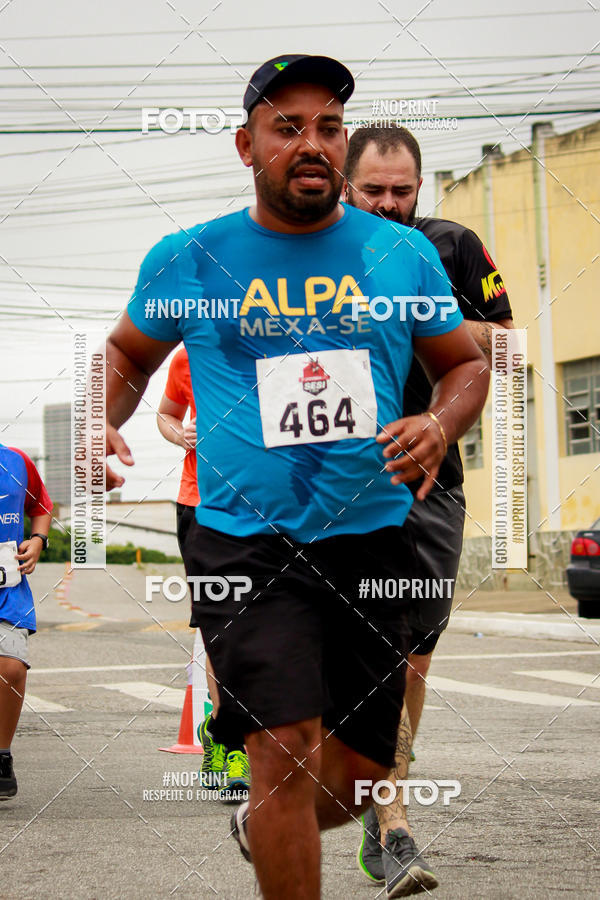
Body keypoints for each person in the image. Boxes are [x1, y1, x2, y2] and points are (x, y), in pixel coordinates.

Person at [105, 54, 490, 900]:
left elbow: (465, 365)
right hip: (242, 537)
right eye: (289, 127)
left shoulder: (401, 257)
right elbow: (130, 355)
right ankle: (271, 811)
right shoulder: (194, 258)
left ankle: (262, 824)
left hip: (372, 534)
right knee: (282, 749)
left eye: (328, 127)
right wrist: (103, 421)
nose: (312, 143)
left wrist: (440, 420)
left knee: (357, 772)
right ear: (247, 146)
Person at [345, 124, 514, 894]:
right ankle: (369, 803)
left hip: (427, 477)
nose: (387, 204)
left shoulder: (452, 248)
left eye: (401, 191)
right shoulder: (307, 253)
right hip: (330, 479)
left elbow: (505, 349)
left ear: (419, 186)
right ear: (346, 185)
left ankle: (388, 816)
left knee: (410, 653)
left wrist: (428, 320)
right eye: (372, 190)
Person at [157, 348, 250, 802]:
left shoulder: (282, 339)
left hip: (271, 504)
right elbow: (167, 414)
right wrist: (181, 434)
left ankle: (222, 728)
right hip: (203, 504)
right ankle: (232, 744)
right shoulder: (185, 356)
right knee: (221, 626)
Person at [0, 444, 52, 799]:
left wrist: (38, 540)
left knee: (12, 667)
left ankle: (1, 756)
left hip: (7, 589)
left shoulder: (16, 460)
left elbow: (42, 506)